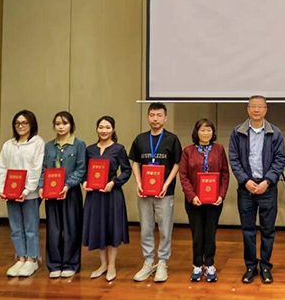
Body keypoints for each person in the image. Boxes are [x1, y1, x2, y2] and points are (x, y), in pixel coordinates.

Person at [229, 95, 285, 284]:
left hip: (267, 188)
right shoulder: (237, 132)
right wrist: (245, 181)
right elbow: (234, 159)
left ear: (266, 110)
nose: (256, 110)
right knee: (248, 230)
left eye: (260, 106)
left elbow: (280, 160)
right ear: (247, 109)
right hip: (246, 189)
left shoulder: (275, 133)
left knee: (268, 230)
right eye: (253, 106)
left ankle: (266, 266)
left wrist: (267, 181)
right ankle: (251, 267)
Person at [129, 103, 182, 283]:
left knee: (165, 228)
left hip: (164, 192)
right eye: (152, 115)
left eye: (159, 115)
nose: (155, 119)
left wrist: (166, 184)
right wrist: (138, 182)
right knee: (146, 227)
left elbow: (177, 164)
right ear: (147, 117)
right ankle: (148, 261)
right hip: (144, 192)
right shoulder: (140, 139)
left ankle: (162, 262)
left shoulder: (172, 139)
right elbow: (135, 162)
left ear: (165, 118)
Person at [179, 118, 230, 282]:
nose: (206, 133)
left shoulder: (219, 149)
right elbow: (183, 176)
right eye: (202, 130)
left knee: (210, 232)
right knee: (197, 233)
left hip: (214, 201)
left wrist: (221, 195)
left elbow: (225, 174)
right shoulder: (187, 151)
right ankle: (196, 265)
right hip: (194, 201)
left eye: (209, 130)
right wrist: (192, 196)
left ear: (213, 133)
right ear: (197, 132)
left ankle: (209, 264)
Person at [0, 110, 45, 277]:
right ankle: (20, 258)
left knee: (30, 228)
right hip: (10, 193)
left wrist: (27, 189)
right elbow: (1, 167)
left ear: (31, 124)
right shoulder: (8, 145)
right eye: (17, 123)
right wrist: (1, 188)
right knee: (15, 228)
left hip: (29, 194)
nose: (21, 126)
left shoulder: (37, 143)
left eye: (24, 123)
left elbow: (36, 168)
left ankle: (32, 259)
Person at [82, 115, 131, 282]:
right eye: (101, 127)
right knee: (99, 228)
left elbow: (126, 170)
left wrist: (114, 182)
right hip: (94, 195)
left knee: (112, 228)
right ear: (97, 129)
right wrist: (85, 182)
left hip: (112, 194)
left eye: (108, 127)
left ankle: (112, 265)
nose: (104, 130)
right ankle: (103, 264)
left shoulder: (119, 149)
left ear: (113, 130)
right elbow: (84, 171)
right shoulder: (90, 150)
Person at [38, 111, 86, 279]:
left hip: (70, 193)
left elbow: (81, 169)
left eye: (65, 123)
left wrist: (68, 185)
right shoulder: (48, 146)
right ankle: (54, 265)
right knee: (54, 229)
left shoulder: (79, 144)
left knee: (71, 229)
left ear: (71, 125)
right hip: (51, 194)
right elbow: (44, 169)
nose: (61, 127)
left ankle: (71, 264)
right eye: (58, 124)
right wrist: (41, 186)